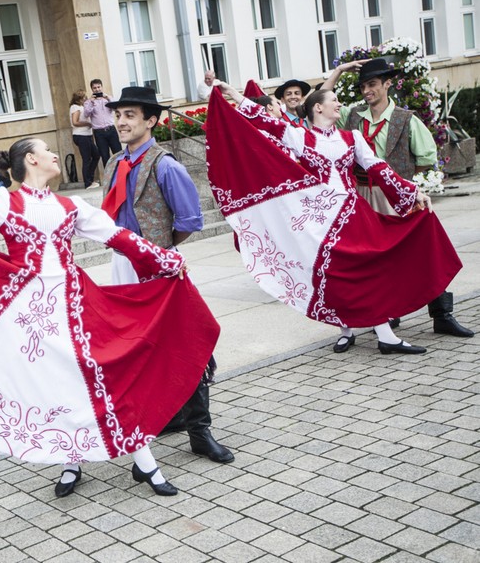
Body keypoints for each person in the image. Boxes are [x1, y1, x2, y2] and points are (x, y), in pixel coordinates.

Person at [0, 138, 220, 499]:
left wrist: (166, 260)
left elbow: (119, 237)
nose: (53, 155)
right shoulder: (3, 202)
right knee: (52, 382)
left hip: (75, 303)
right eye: (47, 150)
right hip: (25, 311)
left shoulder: (70, 206)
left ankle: (145, 464)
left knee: (101, 375)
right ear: (32, 159)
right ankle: (72, 460)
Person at [209, 80, 462, 355]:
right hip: (319, 220)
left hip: (352, 212)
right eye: (334, 100)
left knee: (367, 267)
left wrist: (411, 192)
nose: (339, 104)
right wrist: (233, 94)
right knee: (334, 273)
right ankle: (349, 328)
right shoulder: (299, 136)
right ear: (318, 107)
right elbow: (265, 121)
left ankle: (384, 334)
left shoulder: (351, 137)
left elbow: (377, 167)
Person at [100, 85, 234, 464]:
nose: (121, 122)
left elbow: (190, 219)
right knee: (143, 343)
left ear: (151, 121)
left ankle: (200, 431)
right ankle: (172, 414)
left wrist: (160, 251)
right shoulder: (113, 163)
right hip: (122, 264)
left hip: (158, 265)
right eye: (118, 115)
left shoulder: (166, 164)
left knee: (186, 342)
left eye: (130, 115)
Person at [322, 58, 473, 339]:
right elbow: (317, 103)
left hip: (396, 194)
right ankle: (388, 312)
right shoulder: (352, 116)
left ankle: (442, 314)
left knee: (423, 250)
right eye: (363, 85)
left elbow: (427, 158)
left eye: (372, 84)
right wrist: (340, 71)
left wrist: (402, 185)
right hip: (362, 197)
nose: (366, 90)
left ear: (387, 84)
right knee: (375, 257)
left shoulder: (406, 119)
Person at [83, 79, 123, 164]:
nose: (97, 89)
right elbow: (86, 114)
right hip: (99, 132)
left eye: (98, 87)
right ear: (92, 89)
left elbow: (116, 108)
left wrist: (108, 98)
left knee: (119, 154)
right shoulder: (88, 102)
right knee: (105, 157)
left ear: (102, 87)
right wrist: (91, 102)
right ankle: (109, 176)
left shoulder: (108, 99)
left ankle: (122, 175)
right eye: (95, 88)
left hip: (111, 130)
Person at [69, 89, 101, 189]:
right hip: (81, 135)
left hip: (87, 135)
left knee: (96, 155)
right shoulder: (75, 107)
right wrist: (88, 124)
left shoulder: (82, 106)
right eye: (83, 97)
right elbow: (75, 122)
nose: (85, 99)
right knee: (86, 159)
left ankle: (90, 179)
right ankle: (88, 183)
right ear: (78, 99)